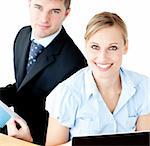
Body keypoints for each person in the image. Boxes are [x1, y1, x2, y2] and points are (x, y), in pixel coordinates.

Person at [44, 12, 150, 146]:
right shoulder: (66, 93)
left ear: (125, 47)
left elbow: (146, 142)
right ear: (86, 46)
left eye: (112, 48)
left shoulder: (143, 86)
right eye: (95, 47)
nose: (103, 57)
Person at [0, 0, 87, 145]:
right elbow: (23, 88)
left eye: (54, 11)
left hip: (36, 140)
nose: (44, 18)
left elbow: (67, 126)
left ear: (66, 13)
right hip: (12, 129)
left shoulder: (75, 63)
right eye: (38, 7)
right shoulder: (23, 34)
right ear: (29, 4)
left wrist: (31, 140)